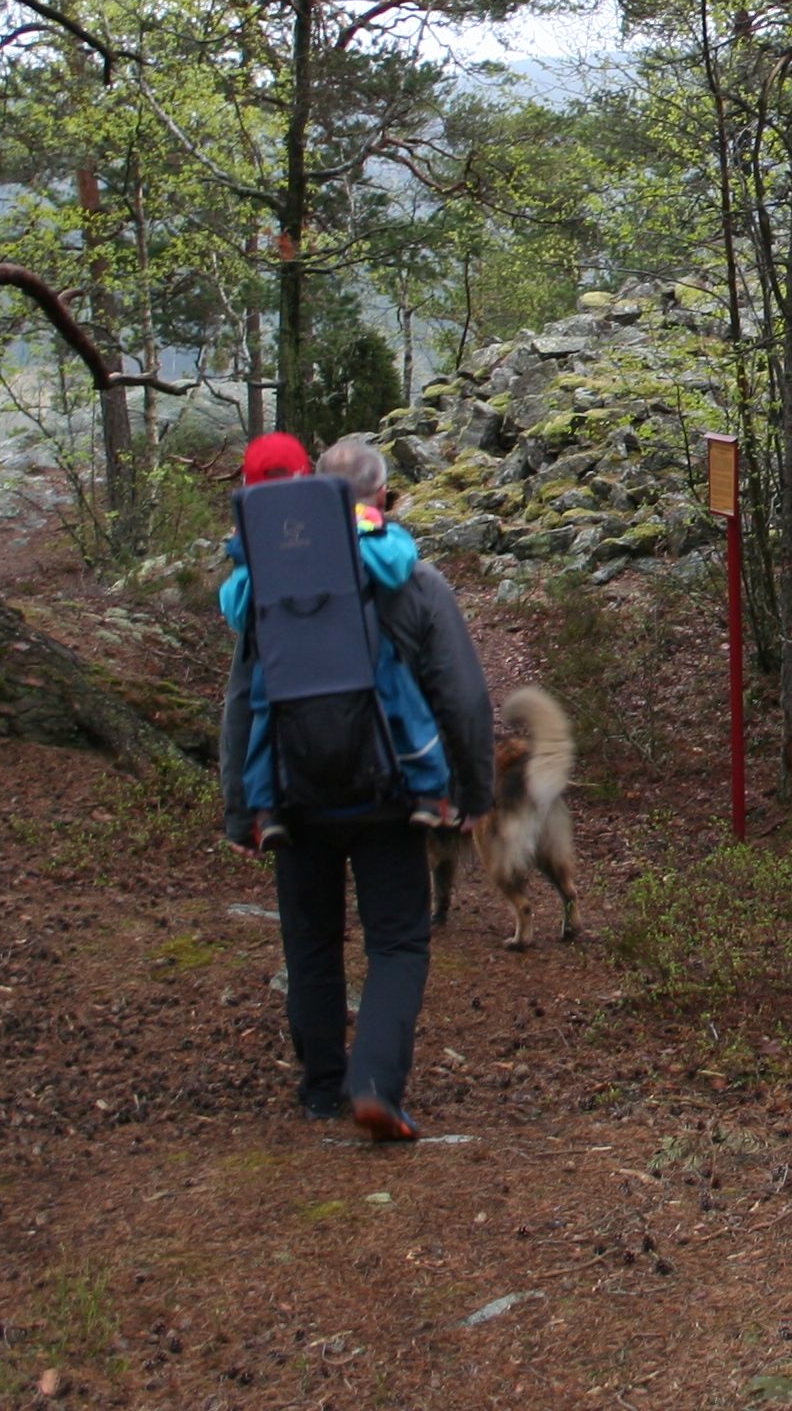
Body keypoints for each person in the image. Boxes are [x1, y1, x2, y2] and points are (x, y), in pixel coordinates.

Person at [219, 434, 494, 1140]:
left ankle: (319, 1088)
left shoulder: (268, 586)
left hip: (294, 794)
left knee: (309, 940)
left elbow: (245, 696)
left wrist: (239, 805)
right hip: (387, 793)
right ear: (381, 496)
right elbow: (461, 695)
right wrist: (473, 791)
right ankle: (374, 1083)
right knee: (398, 941)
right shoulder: (412, 578)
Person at [219, 444, 452, 851]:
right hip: (370, 734)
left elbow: (237, 612)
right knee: (399, 698)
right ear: (309, 478)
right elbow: (397, 564)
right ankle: (429, 790)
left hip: (294, 737)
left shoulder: (256, 549)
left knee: (262, 713)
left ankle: (266, 809)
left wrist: (240, 816)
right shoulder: (359, 532)